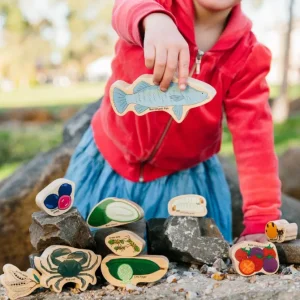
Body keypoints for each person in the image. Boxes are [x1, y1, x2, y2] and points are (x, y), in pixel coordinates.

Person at [65, 0, 282, 243]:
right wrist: (154, 19)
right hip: (107, 166)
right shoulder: (157, 5)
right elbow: (125, 7)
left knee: (179, 271)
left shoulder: (247, 54)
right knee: (90, 258)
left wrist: (262, 217)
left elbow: (254, 139)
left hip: (185, 187)